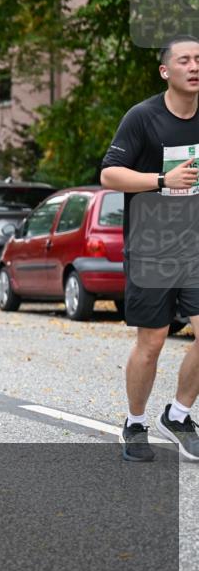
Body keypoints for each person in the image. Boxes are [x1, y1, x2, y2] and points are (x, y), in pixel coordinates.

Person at [100, 34, 199, 462]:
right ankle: (135, 422)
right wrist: (162, 181)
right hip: (151, 248)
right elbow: (109, 176)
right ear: (166, 71)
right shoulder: (142, 117)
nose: (195, 66)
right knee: (153, 341)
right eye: (185, 60)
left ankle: (178, 415)